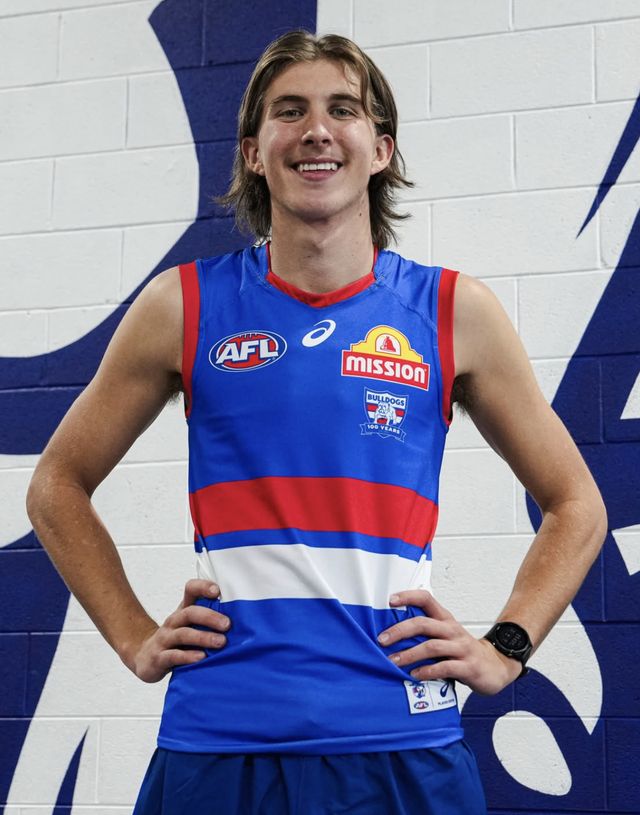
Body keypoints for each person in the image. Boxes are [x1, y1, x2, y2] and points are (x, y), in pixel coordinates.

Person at [27, 29, 606, 815]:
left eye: (343, 109)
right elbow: (56, 485)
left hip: (401, 744)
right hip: (221, 742)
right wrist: (133, 635)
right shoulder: (183, 305)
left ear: (381, 150)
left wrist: (505, 647)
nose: (316, 130)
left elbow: (577, 504)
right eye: (289, 111)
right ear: (253, 153)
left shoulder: (452, 312)